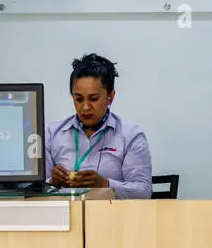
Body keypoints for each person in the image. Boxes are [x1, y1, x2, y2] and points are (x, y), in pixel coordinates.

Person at [45, 53, 153, 198]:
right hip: (64, 217)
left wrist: (105, 184)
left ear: (111, 97)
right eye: (78, 99)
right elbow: (31, 190)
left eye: (94, 98)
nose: (85, 107)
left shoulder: (130, 136)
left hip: (113, 217)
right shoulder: (51, 134)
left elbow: (143, 192)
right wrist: (52, 181)